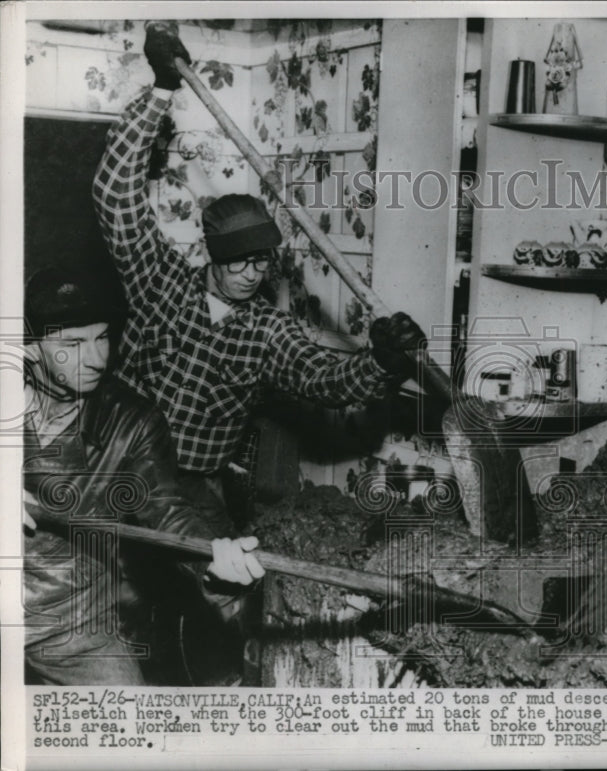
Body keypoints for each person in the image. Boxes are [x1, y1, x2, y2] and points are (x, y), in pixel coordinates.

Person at [92, 22, 425, 518]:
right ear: (211, 254)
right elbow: (114, 193)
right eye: (239, 261)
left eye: (263, 260)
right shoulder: (156, 279)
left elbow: (324, 378)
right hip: (116, 467)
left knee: (226, 586)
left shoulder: (268, 329)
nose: (253, 273)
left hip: (193, 489)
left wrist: (383, 362)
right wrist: (163, 88)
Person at [22, 266, 265, 685]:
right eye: (74, 343)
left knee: (131, 720)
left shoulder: (132, 421)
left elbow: (167, 511)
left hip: (70, 622)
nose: (97, 358)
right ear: (31, 347)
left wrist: (212, 560)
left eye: (102, 337)